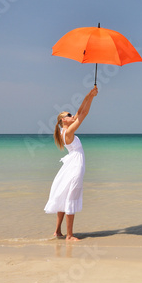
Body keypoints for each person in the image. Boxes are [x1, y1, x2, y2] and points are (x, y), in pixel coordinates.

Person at [44, 87, 98, 241]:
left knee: (64, 197)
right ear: (63, 120)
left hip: (71, 165)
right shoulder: (67, 132)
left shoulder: (64, 132)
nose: (72, 115)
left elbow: (80, 111)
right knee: (71, 198)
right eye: (68, 115)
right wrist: (91, 97)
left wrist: (89, 95)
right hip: (75, 166)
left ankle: (57, 232)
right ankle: (69, 235)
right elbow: (83, 115)